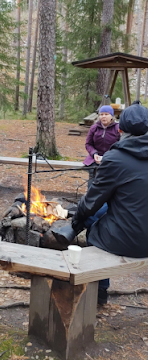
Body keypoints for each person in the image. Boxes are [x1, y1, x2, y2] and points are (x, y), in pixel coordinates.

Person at [67, 103, 148, 305]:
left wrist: (77, 221)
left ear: (120, 129)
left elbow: (92, 202)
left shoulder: (115, 159)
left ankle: (100, 292)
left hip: (129, 241)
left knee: (94, 229)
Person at [83, 105, 120, 187]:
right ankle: (91, 198)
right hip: (94, 158)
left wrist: (108, 156)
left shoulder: (118, 128)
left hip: (112, 158)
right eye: (101, 114)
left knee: (109, 178)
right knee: (93, 175)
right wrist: (94, 154)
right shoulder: (94, 128)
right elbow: (88, 144)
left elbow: (121, 145)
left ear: (112, 116)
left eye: (106, 114)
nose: (103, 116)